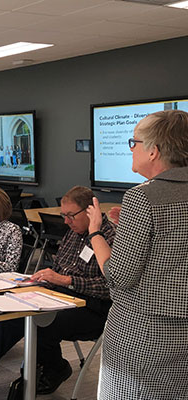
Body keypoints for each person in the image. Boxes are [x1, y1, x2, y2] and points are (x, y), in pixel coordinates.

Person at [86, 110, 188, 400]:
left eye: (134, 142)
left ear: (154, 151)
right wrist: (129, 228)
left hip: (143, 339)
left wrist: (96, 233)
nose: (131, 148)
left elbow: (119, 276)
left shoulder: (142, 197)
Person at [0, 186, 115, 395]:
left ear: (89, 212)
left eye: (70, 216)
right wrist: (41, 279)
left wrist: (65, 280)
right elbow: (58, 269)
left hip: (91, 308)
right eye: (63, 215)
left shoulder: (109, 237)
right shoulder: (72, 233)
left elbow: (110, 287)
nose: (66, 221)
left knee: (37, 322)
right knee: (11, 310)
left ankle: (53, 367)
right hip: (59, 295)